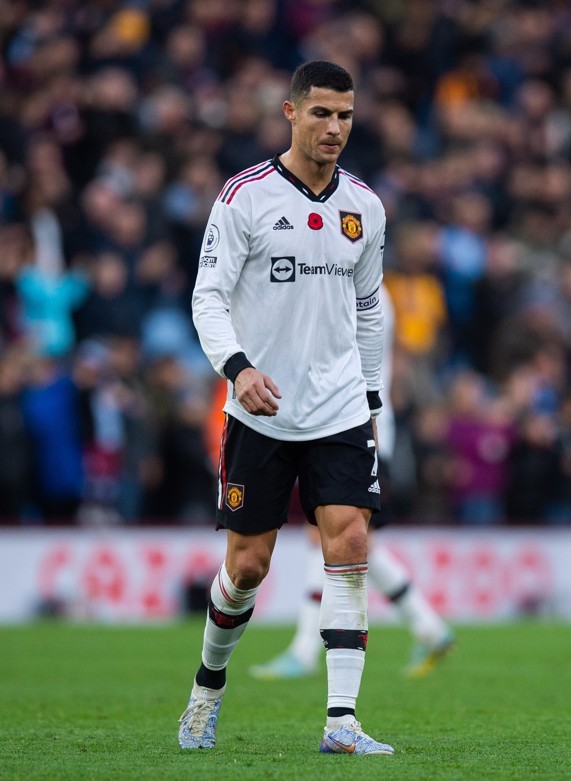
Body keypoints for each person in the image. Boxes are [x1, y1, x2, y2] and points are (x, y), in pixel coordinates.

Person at [180, 60, 393, 755]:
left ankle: (342, 720)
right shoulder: (244, 197)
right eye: (322, 113)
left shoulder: (365, 206)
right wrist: (236, 369)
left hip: (338, 409)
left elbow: (367, 310)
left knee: (351, 544)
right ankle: (207, 689)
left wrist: (367, 396)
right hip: (262, 410)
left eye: (346, 115)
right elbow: (207, 296)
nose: (335, 127)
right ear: (290, 113)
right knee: (248, 566)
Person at [249, 285, 453, 682]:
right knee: (353, 541)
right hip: (361, 426)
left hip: (352, 428)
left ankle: (305, 648)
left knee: (328, 537)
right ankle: (429, 627)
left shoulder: (352, 290)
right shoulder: (378, 293)